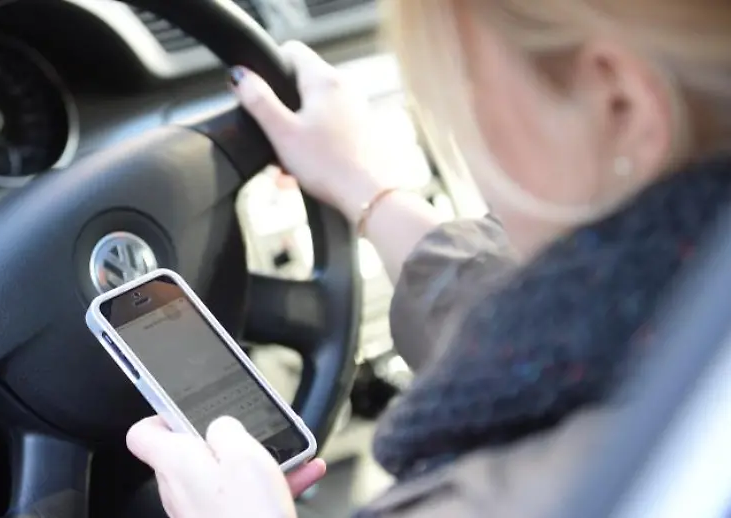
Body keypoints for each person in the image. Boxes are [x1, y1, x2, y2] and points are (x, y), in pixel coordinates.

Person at [125, 0, 731, 517]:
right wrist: (363, 186)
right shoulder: (677, 310)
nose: (462, 132)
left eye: (466, 86)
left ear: (617, 104)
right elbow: (544, 323)